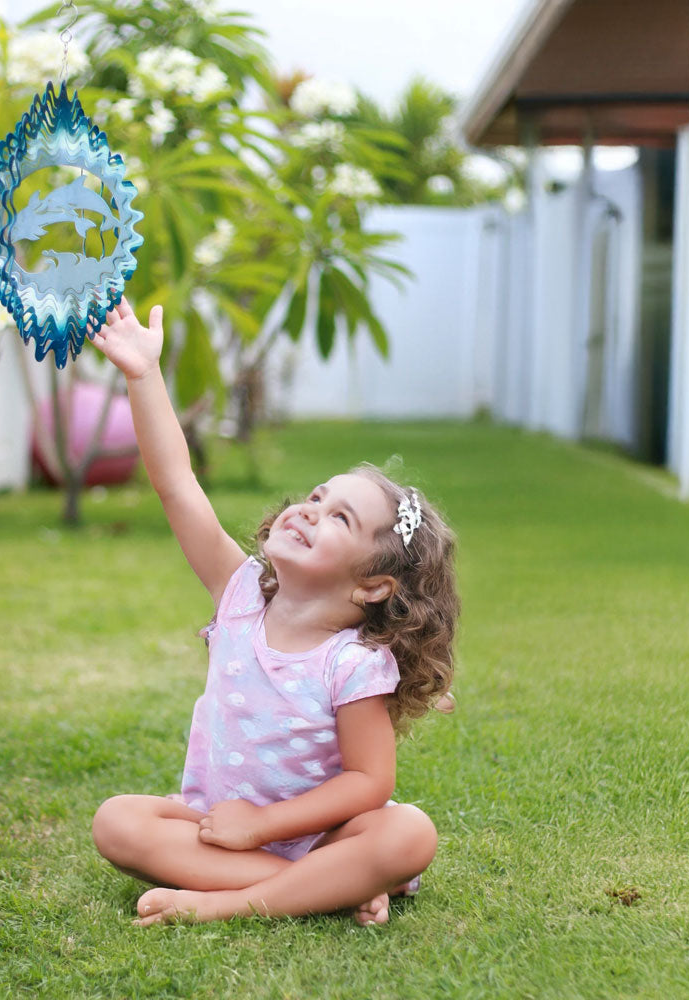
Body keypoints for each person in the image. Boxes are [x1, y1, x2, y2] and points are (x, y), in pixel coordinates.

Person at [88, 297, 460, 926]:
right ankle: (325, 889)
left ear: (374, 586)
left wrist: (263, 824)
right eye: (317, 496)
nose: (311, 509)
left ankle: (230, 904)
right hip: (216, 825)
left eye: (340, 517)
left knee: (408, 833)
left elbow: (368, 782)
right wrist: (143, 376)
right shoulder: (236, 596)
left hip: (313, 835)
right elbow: (178, 484)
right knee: (117, 821)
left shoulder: (353, 664)